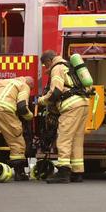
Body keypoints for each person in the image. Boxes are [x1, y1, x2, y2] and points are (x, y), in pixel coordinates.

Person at [38, 50, 89, 184]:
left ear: (49, 61)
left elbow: (56, 91)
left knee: (64, 138)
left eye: (45, 65)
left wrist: (42, 100)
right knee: (77, 140)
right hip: (83, 103)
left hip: (71, 106)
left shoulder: (57, 68)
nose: (46, 68)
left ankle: (63, 172)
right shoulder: (68, 66)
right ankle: (77, 172)